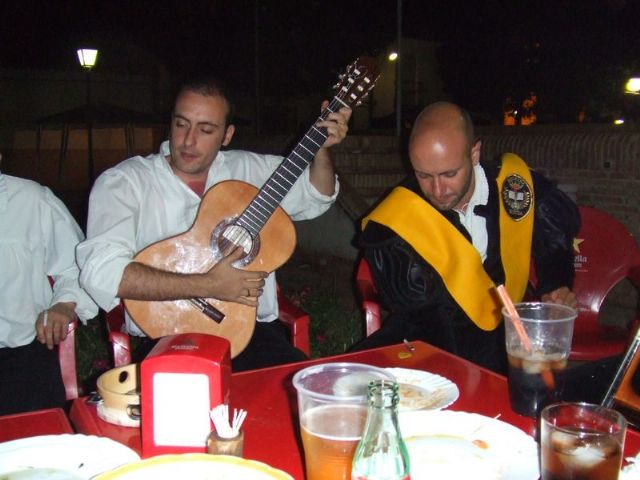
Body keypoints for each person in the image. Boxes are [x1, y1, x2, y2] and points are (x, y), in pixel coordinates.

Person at [76, 76, 351, 371]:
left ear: (227, 135)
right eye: (181, 124)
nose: (188, 140)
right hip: (167, 334)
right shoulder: (125, 183)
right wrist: (208, 285)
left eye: (206, 130)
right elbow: (102, 271)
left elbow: (316, 194)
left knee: (306, 384)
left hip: (251, 334)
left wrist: (322, 149)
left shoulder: (248, 170)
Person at [351, 101, 579, 374]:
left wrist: (555, 287)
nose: (438, 190)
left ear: (474, 153)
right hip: (429, 343)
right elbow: (418, 314)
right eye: (423, 175)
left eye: (449, 174)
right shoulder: (398, 217)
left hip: (507, 334)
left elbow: (554, 243)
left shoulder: (514, 187)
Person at [0, 154, 98, 415]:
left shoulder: (32, 200)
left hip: (21, 351)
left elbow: (76, 264)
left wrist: (63, 304)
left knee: (36, 430)